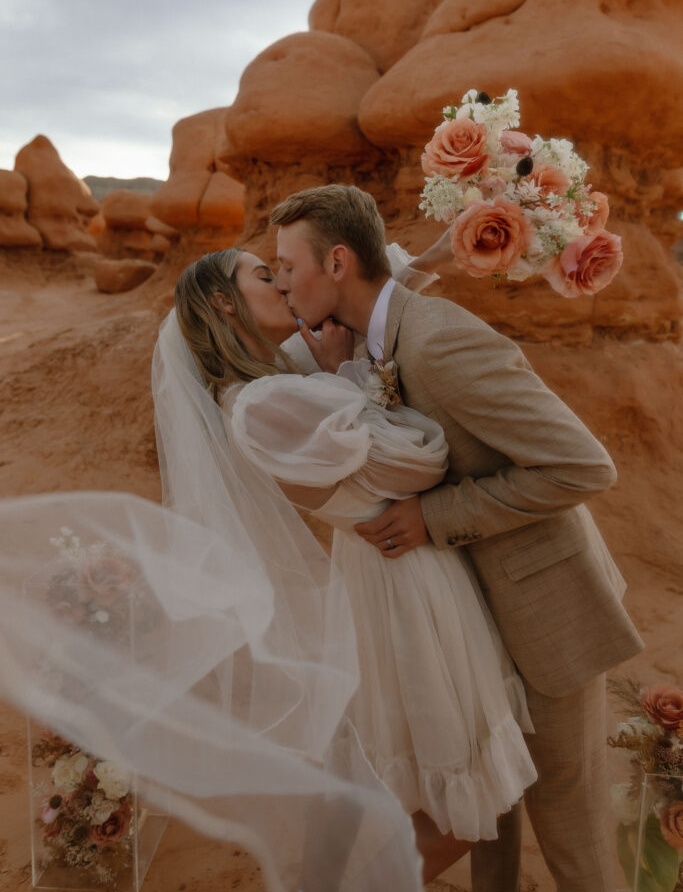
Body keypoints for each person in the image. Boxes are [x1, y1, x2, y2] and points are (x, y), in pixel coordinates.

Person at [269, 183, 645, 892]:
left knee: (570, 835)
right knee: (490, 815)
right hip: (471, 616)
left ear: (338, 262)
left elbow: (583, 465)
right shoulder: (369, 336)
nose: (283, 283)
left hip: (546, 612)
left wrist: (434, 518)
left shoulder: (438, 342)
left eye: (288, 266)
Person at [171, 241, 538, 882]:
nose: (285, 284)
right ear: (226, 303)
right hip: (403, 580)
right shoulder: (261, 405)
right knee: (463, 802)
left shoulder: (272, 374)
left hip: (391, 569)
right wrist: (349, 371)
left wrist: (439, 252)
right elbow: (416, 463)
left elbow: (355, 295)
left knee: (390, 776)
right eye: (268, 274)